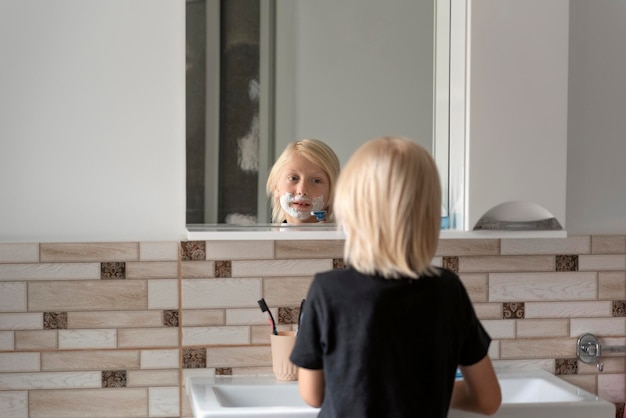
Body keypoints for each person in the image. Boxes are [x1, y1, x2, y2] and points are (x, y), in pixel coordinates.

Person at [289, 136, 501, 417]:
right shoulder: (447, 290)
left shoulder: (328, 290)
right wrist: (425, 393)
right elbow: (487, 401)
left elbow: (313, 395)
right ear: (427, 214)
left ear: (351, 209)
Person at [266, 138, 340, 224]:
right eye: (293, 178)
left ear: (333, 189)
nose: (302, 191)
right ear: (275, 187)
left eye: (316, 181)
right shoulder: (264, 237)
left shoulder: (348, 237)